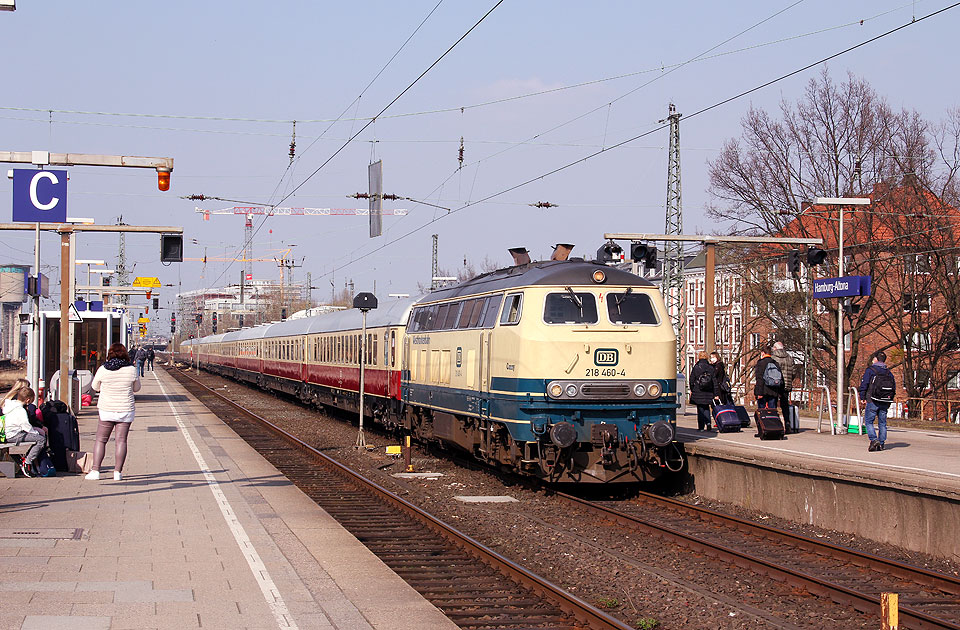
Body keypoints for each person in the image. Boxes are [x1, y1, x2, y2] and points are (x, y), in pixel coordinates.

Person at [88, 343, 141, 481]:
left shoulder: (103, 369)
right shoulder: (131, 370)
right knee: (121, 441)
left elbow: (95, 387)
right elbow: (136, 388)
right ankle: (117, 473)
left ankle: (96, 471)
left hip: (107, 409)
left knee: (101, 440)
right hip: (125, 409)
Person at [2, 387, 44, 477]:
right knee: (41, 439)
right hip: (14, 435)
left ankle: (25, 459)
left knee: (38, 436)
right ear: (28, 400)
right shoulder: (20, 410)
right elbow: (25, 425)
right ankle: (28, 462)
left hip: (7, 433)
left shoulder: (11, 405)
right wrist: (35, 433)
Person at [859, 351, 895, 452]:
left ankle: (874, 440)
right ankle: (882, 443)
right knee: (882, 423)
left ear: (876, 359)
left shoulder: (871, 370)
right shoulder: (888, 372)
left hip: (872, 399)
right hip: (885, 400)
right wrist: (889, 399)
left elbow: (864, 384)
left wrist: (862, 396)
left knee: (869, 421)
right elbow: (893, 387)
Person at [771, 341, 797, 427]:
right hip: (787, 384)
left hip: (776, 384)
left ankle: (776, 424)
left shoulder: (773, 357)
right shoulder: (789, 357)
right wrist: (789, 380)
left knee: (773, 404)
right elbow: (793, 372)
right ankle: (787, 423)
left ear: (775, 348)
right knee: (785, 405)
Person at [690, 352, 717, 431]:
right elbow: (714, 381)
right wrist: (715, 393)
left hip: (698, 390)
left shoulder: (696, 367)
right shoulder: (710, 367)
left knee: (700, 408)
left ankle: (701, 427)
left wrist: (693, 389)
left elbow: (692, 379)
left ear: (699, 357)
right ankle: (708, 423)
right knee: (706, 407)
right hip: (708, 391)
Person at [754, 344, 784, 410]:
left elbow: (759, 379)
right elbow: (780, 378)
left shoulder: (760, 363)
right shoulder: (775, 363)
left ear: (763, 353)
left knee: (762, 413)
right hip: (774, 391)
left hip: (763, 391)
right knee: (772, 412)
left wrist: (758, 393)